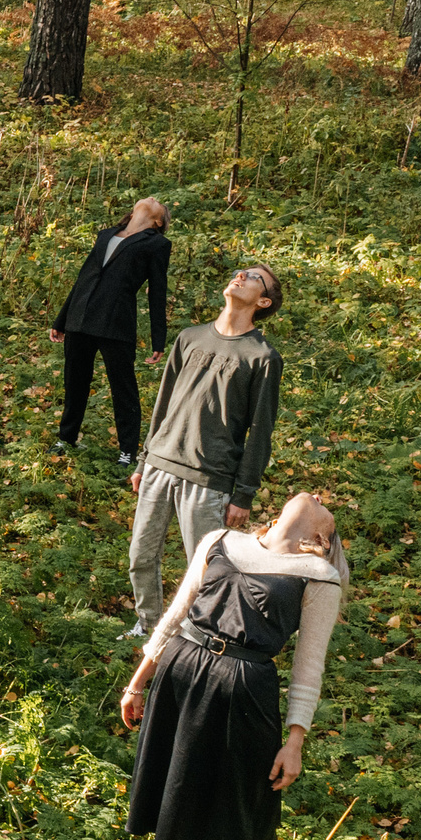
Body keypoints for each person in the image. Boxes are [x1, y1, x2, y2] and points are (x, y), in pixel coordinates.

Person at [121, 492, 347, 840]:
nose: (316, 494)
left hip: (246, 688)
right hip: (183, 668)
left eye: (322, 504)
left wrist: (295, 742)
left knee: (249, 806)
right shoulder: (220, 540)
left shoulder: (318, 575)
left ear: (318, 537)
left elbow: (308, 667)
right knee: (179, 778)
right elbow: (177, 614)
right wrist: (137, 683)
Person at [127, 264, 285, 639]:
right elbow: (163, 403)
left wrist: (244, 493)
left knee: (204, 568)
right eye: (241, 271)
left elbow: (261, 432)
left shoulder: (262, 357)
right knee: (140, 557)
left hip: (209, 477)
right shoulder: (190, 338)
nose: (241, 276)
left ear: (263, 301)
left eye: (254, 277)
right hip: (160, 464)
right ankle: (149, 627)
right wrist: (144, 459)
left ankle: (196, 636)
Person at [49, 196, 171, 465]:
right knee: (75, 382)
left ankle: (127, 452)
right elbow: (83, 278)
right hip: (81, 318)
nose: (153, 198)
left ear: (158, 221)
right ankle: (66, 438)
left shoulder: (157, 244)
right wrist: (61, 320)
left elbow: (157, 292)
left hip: (116, 323)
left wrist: (158, 338)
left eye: (158, 202)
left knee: (123, 389)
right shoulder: (106, 234)